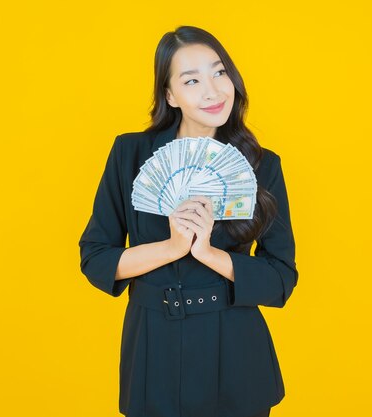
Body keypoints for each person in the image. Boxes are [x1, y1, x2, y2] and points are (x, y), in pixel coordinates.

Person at [78, 25, 298, 417]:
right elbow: (95, 258)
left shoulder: (263, 166)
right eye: (191, 80)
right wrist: (172, 247)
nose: (212, 91)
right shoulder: (130, 154)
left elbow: (280, 279)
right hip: (152, 351)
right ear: (170, 95)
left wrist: (209, 253)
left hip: (235, 352)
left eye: (219, 72)